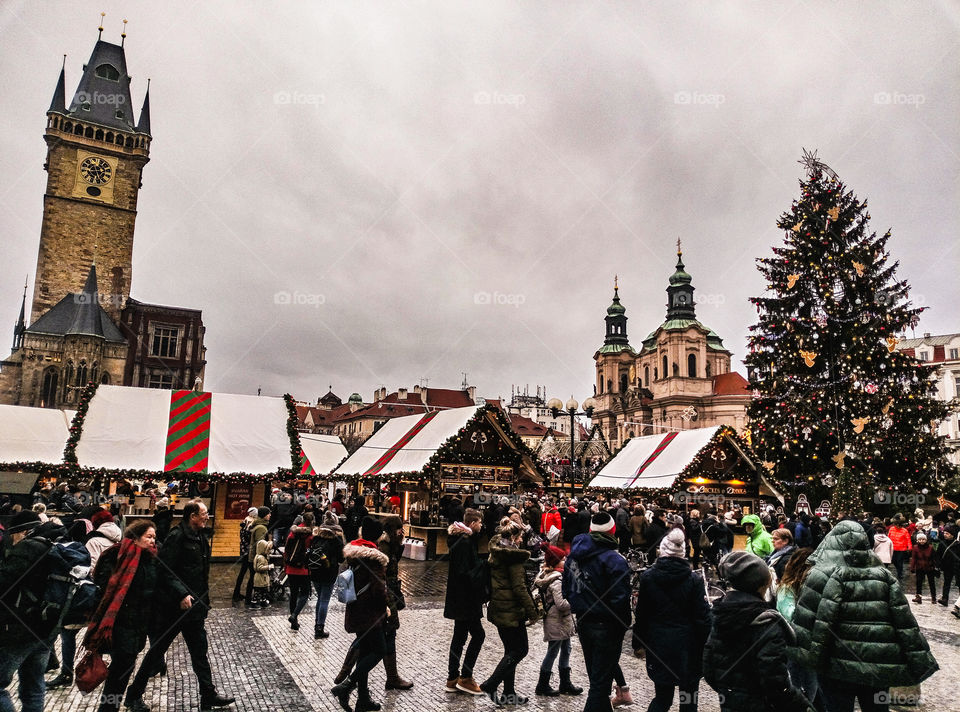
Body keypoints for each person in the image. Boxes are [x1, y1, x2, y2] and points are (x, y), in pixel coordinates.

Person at [792, 520, 938, 712]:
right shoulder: (884, 576)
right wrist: (918, 659)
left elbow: (808, 621)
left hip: (836, 665)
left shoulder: (820, 574)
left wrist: (805, 657)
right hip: (879, 664)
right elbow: (904, 622)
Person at [123, 501, 234, 712]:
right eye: (203, 513)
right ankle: (133, 695)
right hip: (173, 609)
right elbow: (164, 570)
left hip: (195, 608)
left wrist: (202, 602)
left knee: (200, 651)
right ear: (192, 515)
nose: (207, 517)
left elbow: (201, 574)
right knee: (157, 652)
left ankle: (208, 694)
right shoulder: (177, 537)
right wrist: (181, 593)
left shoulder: (201, 537)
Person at [703, 551, 812, 712]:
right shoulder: (767, 624)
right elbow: (775, 683)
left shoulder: (721, 615)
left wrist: (731, 692)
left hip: (731, 703)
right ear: (762, 585)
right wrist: (803, 706)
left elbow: (708, 667)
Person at [633, 528, 711, 712]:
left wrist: (638, 642)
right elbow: (702, 617)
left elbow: (642, 614)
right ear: (683, 553)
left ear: (663, 550)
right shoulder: (694, 580)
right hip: (689, 646)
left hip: (659, 643)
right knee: (689, 700)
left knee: (662, 698)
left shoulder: (648, 578)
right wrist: (708, 643)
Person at [85, 520, 159, 712]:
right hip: (118, 623)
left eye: (154, 537)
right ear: (135, 537)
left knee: (123, 669)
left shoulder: (151, 559)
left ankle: (110, 706)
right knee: (120, 670)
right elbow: (104, 588)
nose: (153, 541)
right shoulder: (115, 555)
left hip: (138, 624)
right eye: (149, 537)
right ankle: (108, 708)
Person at [564, 511, 631, 712]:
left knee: (597, 679)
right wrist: (622, 624)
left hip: (584, 622)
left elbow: (567, 590)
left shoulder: (573, 558)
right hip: (608, 625)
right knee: (600, 685)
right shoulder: (615, 560)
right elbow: (621, 599)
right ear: (612, 530)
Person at [330, 517, 389, 712]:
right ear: (378, 537)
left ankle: (363, 699)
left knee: (364, 652)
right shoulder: (374, 559)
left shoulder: (354, 554)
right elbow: (379, 590)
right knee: (380, 650)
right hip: (371, 614)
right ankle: (346, 686)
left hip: (356, 609)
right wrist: (386, 607)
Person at [480, 518, 539, 706]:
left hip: (499, 608)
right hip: (511, 610)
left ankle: (508, 693)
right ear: (513, 537)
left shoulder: (497, 552)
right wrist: (533, 612)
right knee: (520, 650)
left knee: (510, 651)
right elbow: (520, 588)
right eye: (520, 536)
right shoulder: (513, 558)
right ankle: (491, 684)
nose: (522, 540)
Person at [0, 511, 55, 712]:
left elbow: (4, 584)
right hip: (45, 630)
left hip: (19, 630)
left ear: (22, 531)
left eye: (12, 535)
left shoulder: (27, 548)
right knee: (33, 685)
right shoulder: (52, 545)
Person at [444, 510, 487, 696]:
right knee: (478, 635)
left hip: (458, 597)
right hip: (466, 598)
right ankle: (465, 677)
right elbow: (465, 571)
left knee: (459, 637)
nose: (481, 526)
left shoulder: (460, 539)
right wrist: (483, 566)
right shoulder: (465, 542)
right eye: (479, 523)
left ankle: (453, 677)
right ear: (472, 523)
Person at [774, 548, 821, 711]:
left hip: (813, 647)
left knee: (812, 688)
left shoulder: (815, 587)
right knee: (799, 687)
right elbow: (790, 616)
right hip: (796, 645)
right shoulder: (787, 588)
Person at [533, 545, 581, 697]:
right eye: (562, 559)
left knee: (566, 649)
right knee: (553, 651)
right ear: (555, 563)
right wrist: (576, 601)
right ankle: (542, 684)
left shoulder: (557, 576)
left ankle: (565, 683)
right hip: (557, 621)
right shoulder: (557, 580)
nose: (565, 560)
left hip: (561, 622)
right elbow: (561, 604)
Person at [377, 515, 413, 690]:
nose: (402, 532)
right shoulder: (384, 546)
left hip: (389, 593)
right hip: (386, 595)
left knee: (385, 635)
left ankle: (392, 676)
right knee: (387, 634)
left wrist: (399, 547)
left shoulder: (391, 545)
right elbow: (382, 574)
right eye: (400, 529)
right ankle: (391, 677)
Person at [308, 515, 344, 638]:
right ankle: (319, 627)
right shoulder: (336, 541)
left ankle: (316, 624)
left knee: (320, 598)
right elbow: (341, 558)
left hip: (315, 571)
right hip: (329, 573)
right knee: (324, 600)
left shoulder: (316, 538)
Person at [284, 513, 314, 630]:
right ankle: (294, 614)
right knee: (305, 593)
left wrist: (286, 565)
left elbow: (287, 549)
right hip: (304, 569)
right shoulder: (311, 535)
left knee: (293, 594)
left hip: (291, 568)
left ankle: (294, 622)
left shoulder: (293, 533)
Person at [231, 507, 258, 604]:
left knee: (242, 572)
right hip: (248, 552)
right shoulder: (250, 524)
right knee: (251, 573)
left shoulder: (245, 521)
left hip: (243, 551)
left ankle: (236, 593)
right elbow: (249, 538)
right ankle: (247, 596)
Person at [245, 507, 270, 607]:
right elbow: (259, 545)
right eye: (268, 514)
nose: (270, 515)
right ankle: (253, 600)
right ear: (264, 515)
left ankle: (249, 598)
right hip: (257, 557)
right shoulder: (261, 528)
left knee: (252, 578)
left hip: (254, 557)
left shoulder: (259, 525)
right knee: (255, 579)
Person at [910, 531, 938, 604]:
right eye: (920, 539)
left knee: (931, 583)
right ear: (917, 540)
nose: (921, 541)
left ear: (926, 540)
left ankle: (934, 597)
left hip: (929, 567)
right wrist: (912, 567)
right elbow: (914, 558)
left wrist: (935, 567)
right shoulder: (915, 547)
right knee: (918, 582)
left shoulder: (930, 548)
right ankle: (918, 597)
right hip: (919, 567)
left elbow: (934, 558)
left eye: (923, 539)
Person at [937, 524, 959, 605]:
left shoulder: (957, 544)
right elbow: (938, 555)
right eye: (944, 533)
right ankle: (945, 599)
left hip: (957, 568)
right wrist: (938, 565)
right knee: (946, 583)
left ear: (952, 535)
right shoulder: (942, 543)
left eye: (947, 533)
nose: (945, 535)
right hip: (947, 567)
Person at [888, 515, 912, 580]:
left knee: (899, 561)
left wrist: (909, 547)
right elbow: (889, 538)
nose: (897, 526)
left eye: (898, 525)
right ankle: (899, 570)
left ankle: (900, 573)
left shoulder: (904, 530)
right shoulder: (891, 529)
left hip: (901, 549)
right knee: (893, 561)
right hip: (893, 548)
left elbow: (908, 539)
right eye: (896, 524)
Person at [252, 538, 273, 608]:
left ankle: (262, 601)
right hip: (260, 578)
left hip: (261, 578)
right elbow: (259, 568)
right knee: (259, 591)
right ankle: (256, 603)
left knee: (262, 591)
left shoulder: (259, 556)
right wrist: (268, 567)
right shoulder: (261, 558)